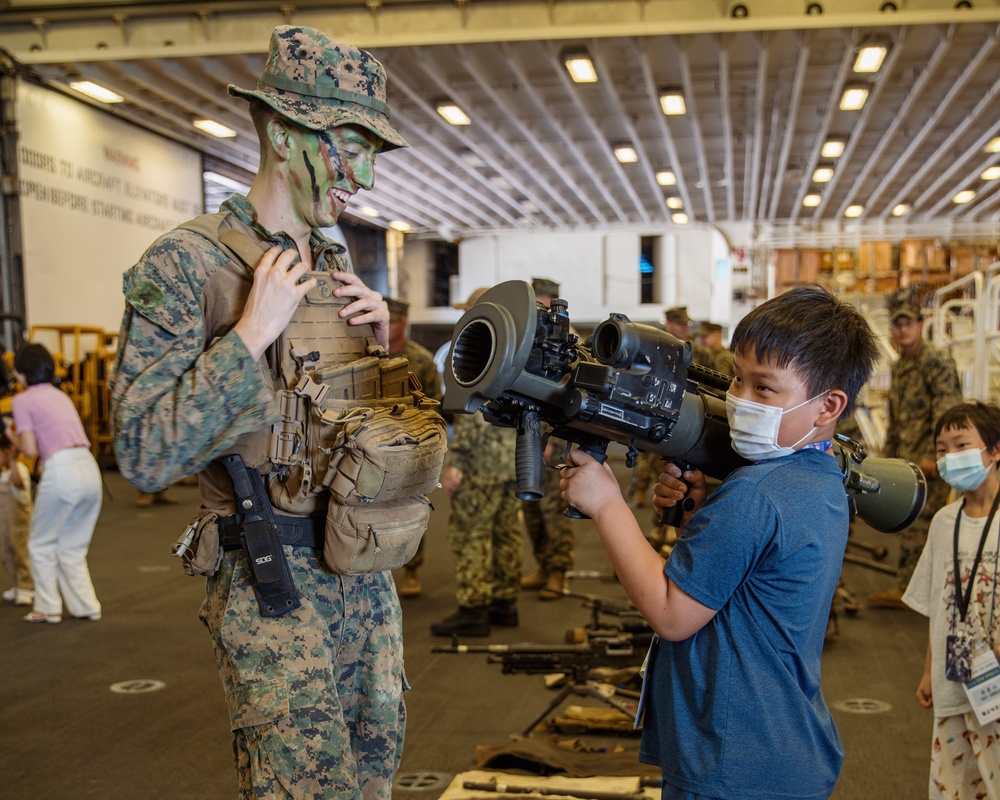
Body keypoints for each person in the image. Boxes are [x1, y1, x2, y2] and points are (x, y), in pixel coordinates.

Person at [109, 25, 416, 799]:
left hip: (360, 563)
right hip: (270, 575)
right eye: (351, 143)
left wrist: (380, 351)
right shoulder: (186, 263)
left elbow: (350, 423)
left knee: (371, 781)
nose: (366, 176)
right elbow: (144, 451)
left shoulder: (335, 260)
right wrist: (250, 333)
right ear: (283, 132)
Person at [560, 285, 879, 800]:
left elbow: (671, 613)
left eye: (765, 389)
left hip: (731, 761)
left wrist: (606, 503)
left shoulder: (755, 494)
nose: (738, 399)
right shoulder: (818, 481)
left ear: (828, 406)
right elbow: (745, 581)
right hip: (779, 746)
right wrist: (697, 524)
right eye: (737, 377)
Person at [902, 401, 1000, 799]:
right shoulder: (944, 523)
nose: (949, 458)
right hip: (952, 679)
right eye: (942, 450)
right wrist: (929, 672)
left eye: (962, 445)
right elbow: (937, 607)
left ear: (995, 451)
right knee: (952, 785)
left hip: (994, 683)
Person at [430, 289, 523, 636]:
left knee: (471, 533)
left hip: (481, 463)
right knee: (506, 532)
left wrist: (457, 461)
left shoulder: (479, 348)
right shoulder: (518, 349)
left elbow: (470, 412)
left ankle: (473, 608)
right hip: (513, 460)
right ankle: (504, 603)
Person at [870, 302, 963, 609]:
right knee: (912, 524)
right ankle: (914, 589)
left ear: (921, 325)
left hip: (927, 461)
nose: (902, 329)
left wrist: (935, 455)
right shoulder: (900, 366)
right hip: (906, 461)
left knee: (922, 524)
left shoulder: (935, 361)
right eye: (897, 325)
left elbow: (947, 412)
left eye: (908, 323)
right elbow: (895, 419)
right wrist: (888, 460)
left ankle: (912, 592)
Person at [5, 343, 102, 624]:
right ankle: (87, 605)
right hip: (88, 466)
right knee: (72, 547)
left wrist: (9, 433)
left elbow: (30, 449)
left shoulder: (22, 400)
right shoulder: (60, 396)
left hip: (61, 470)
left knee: (40, 543)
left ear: (21, 372)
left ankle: (48, 607)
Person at [519, 277, 575, 601]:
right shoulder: (525, 337)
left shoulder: (562, 340)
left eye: (543, 301)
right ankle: (542, 564)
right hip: (529, 433)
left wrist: (553, 435)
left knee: (554, 509)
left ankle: (558, 569)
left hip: (552, 436)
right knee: (531, 509)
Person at [386, 296, 443, 598]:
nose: (387, 325)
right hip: (374, 446)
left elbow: (436, 407)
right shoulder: (368, 354)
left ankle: (412, 569)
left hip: (411, 447)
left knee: (411, 508)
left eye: (393, 320)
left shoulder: (420, 360)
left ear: (404, 324)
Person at [0, 432, 34, 607]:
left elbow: (19, 484)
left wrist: (12, 461)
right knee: (6, 554)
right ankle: (17, 583)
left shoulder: (18, 469)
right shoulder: (2, 474)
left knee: (21, 552)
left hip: (19, 524)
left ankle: (27, 586)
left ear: (7, 453)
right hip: (3, 525)